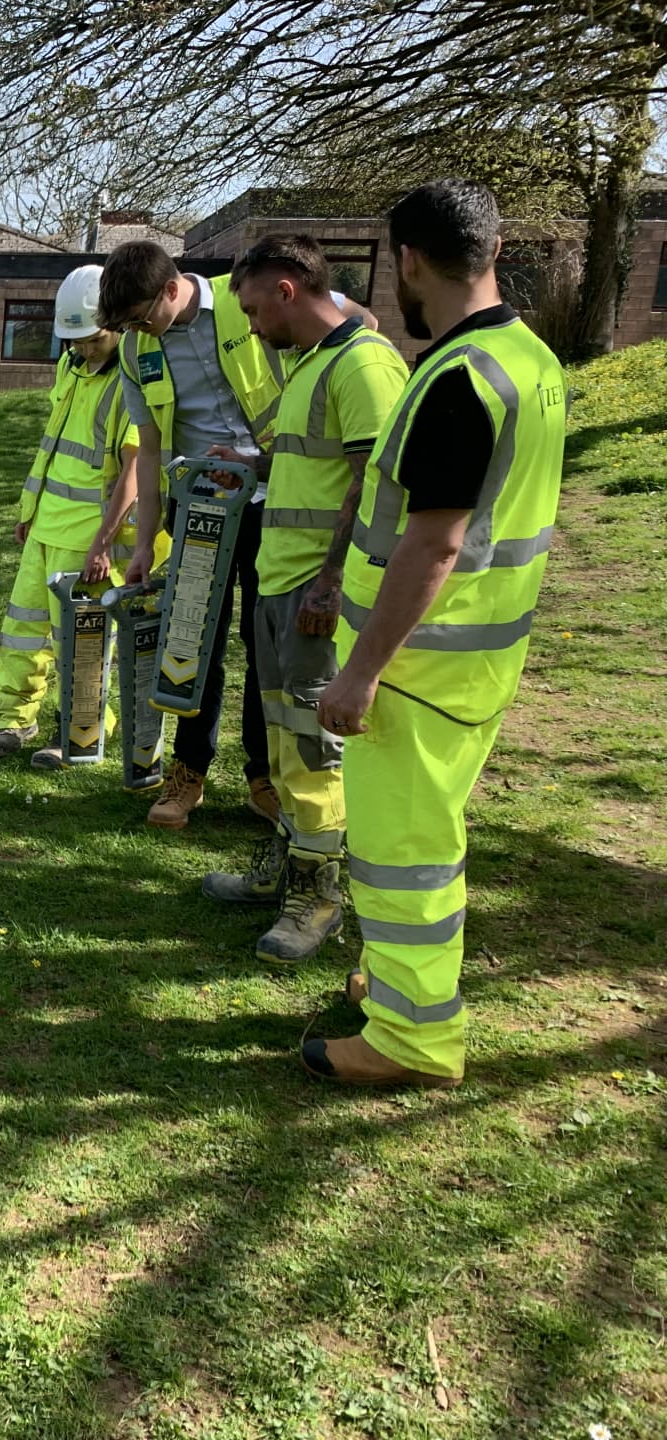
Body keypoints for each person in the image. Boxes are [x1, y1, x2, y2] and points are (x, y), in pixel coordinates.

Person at [303, 180, 567, 1089]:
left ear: (409, 261)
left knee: (401, 855)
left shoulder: (457, 379)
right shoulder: (528, 358)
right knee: (427, 837)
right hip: (477, 660)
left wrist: (361, 671)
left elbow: (435, 539)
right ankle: (394, 988)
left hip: (415, 668)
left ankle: (411, 1039)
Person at [96, 244, 379, 831]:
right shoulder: (134, 348)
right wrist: (145, 541)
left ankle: (263, 777)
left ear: (172, 289)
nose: (135, 331)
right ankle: (188, 772)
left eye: (141, 317)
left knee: (264, 643)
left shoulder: (244, 293)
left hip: (274, 499)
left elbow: (359, 322)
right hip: (197, 508)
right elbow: (149, 451)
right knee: (192, 640)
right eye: (126, 325)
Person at [199, 235, 410, 963]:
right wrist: (251, 459)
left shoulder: (363, 365)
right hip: (279, 581)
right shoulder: (311, 365)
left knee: (315, 749)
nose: (252, 327)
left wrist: (330, 584)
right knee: (286, 741)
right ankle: (288, 865)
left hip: (315, 595)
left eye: (256, 310)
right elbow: (313, 465)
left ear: (288, 291)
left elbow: (372, 485)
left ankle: (319, 896)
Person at [0, 263, 164, 786]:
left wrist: (102, 544)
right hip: (45, 528)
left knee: (81, 644)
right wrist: (30, 511)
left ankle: (80, 733)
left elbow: (134, 472)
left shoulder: (132, 379)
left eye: (91, 339)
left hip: (86, 538)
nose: (83, 348)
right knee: (23, 633)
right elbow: (55, 444)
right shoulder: (71, 366)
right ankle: (15, 721)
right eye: (77, 340)